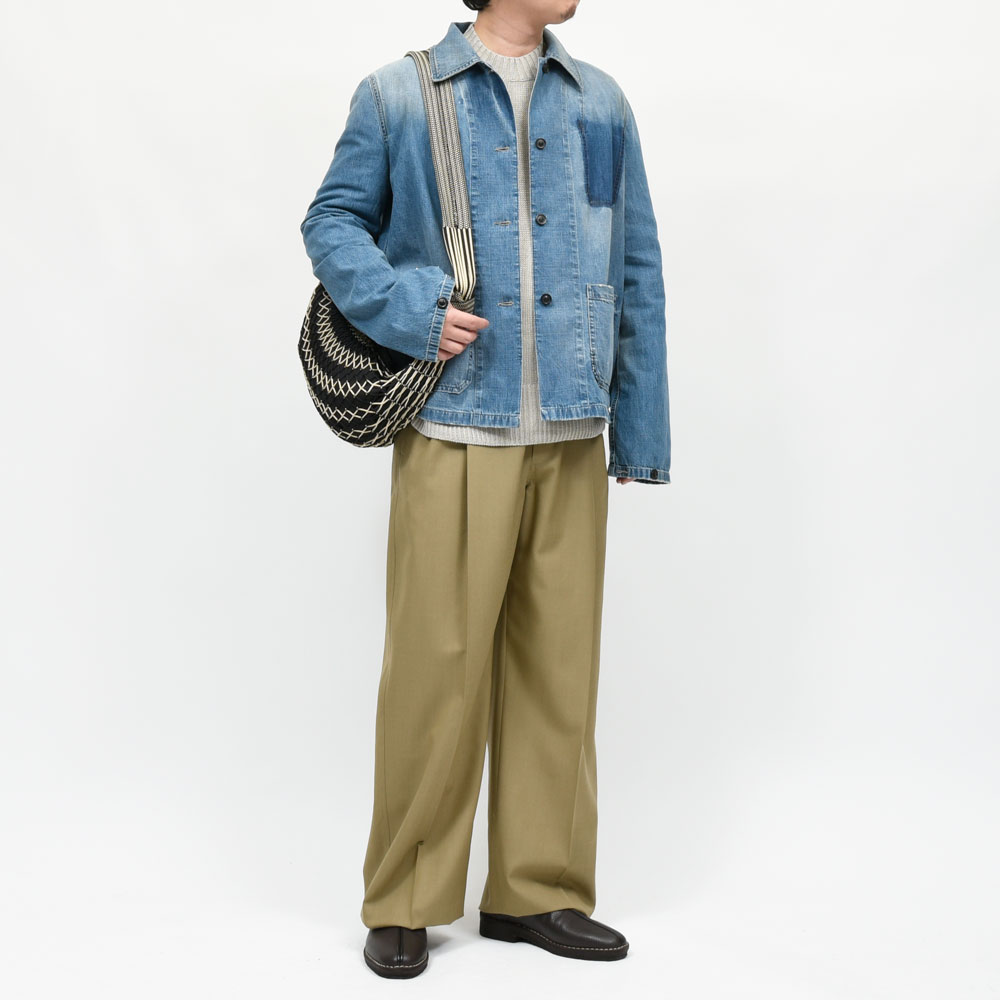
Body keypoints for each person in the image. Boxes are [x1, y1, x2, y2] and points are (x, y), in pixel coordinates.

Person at [300, 0, 670, 979]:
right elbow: (331, 222)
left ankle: (536, 890)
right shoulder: (399, 93)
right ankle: (406, 898)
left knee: (560, 672)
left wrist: (639, 425)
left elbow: (635, 261)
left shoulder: (600, 102)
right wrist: (410, 308)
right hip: (458, 423)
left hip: (573, 426)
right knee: (436, 669)